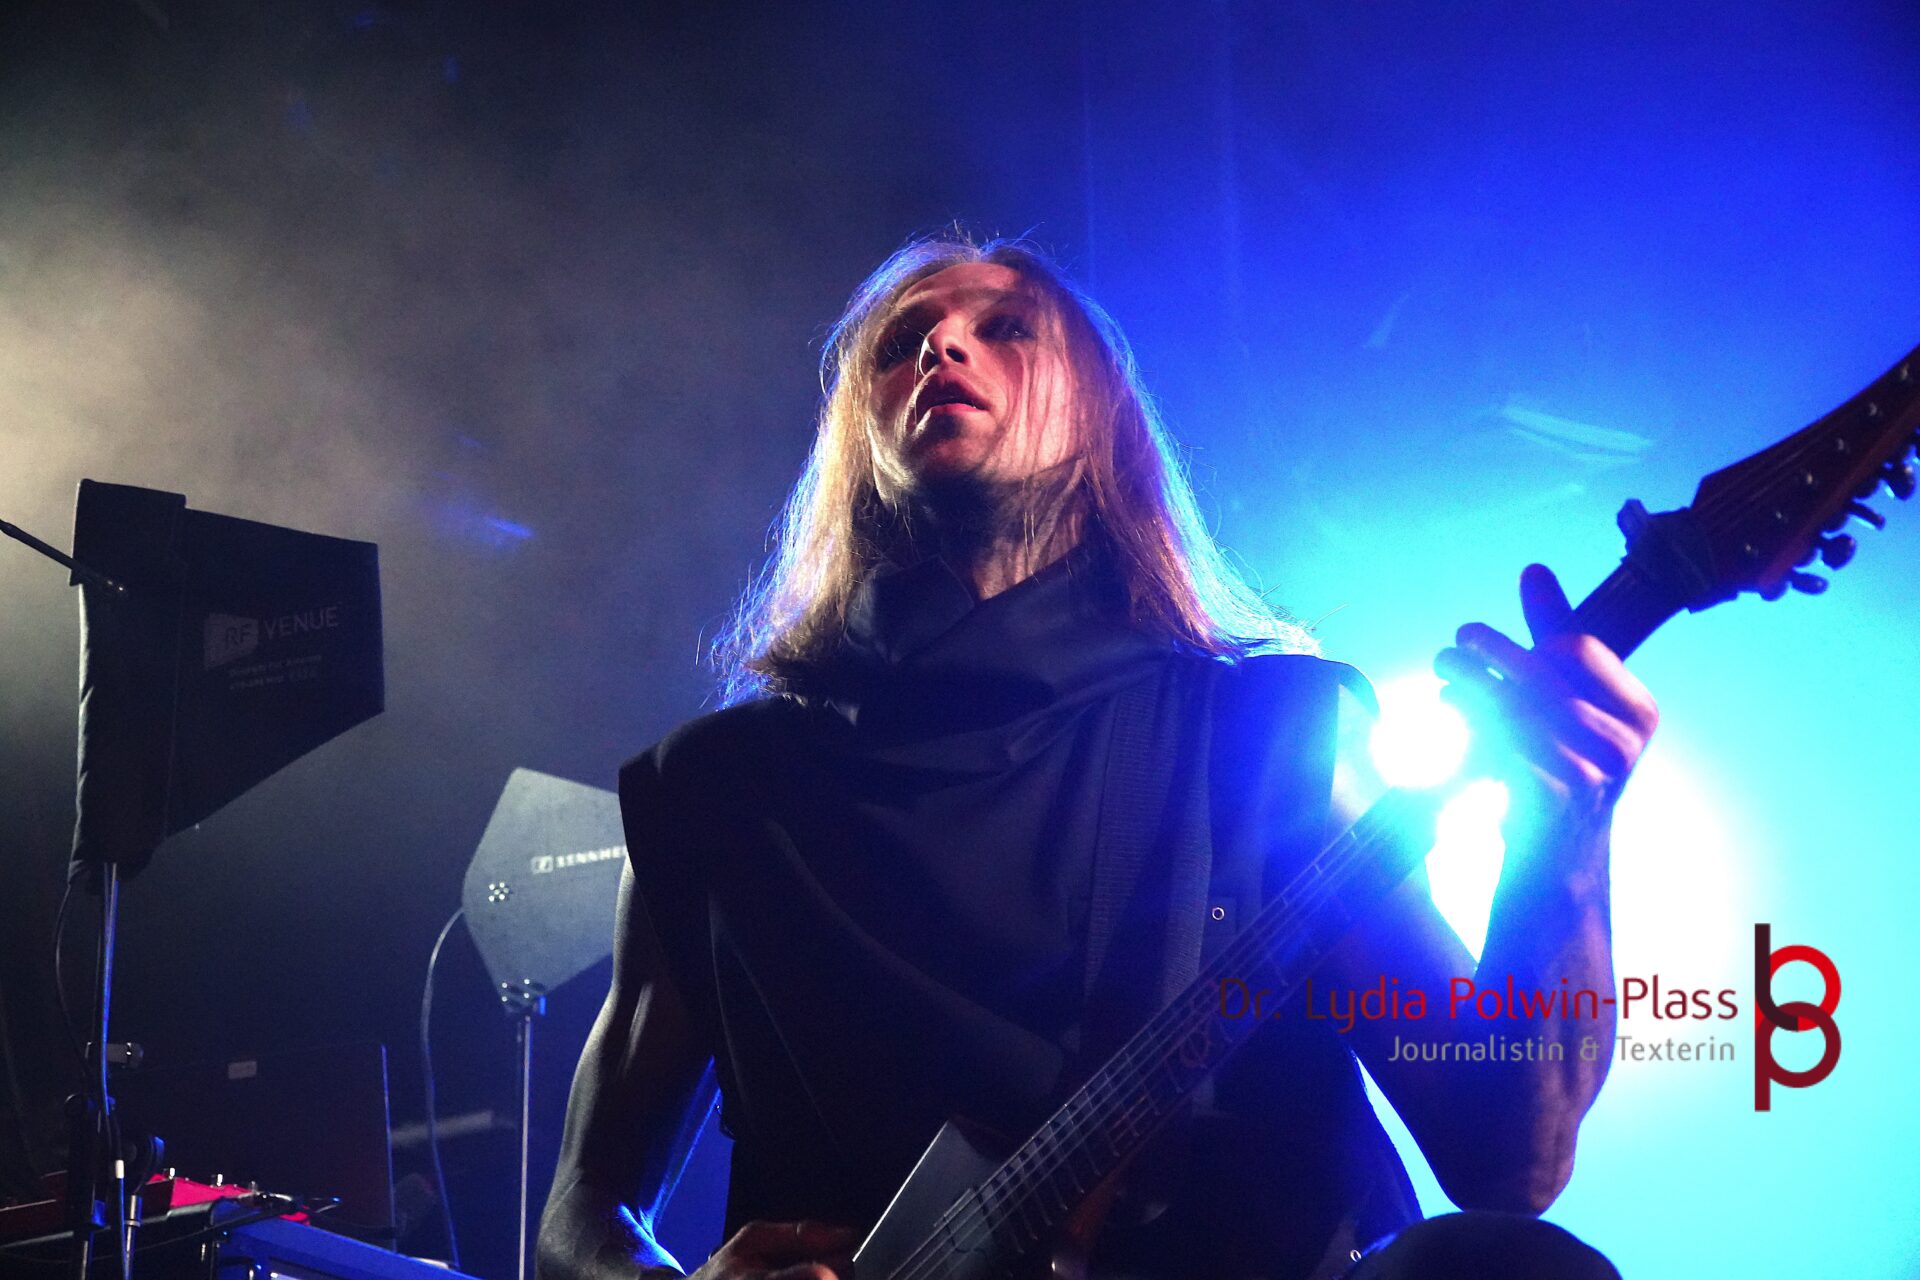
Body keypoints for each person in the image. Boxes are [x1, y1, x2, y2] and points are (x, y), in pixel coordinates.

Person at [536, 235, 1657, 1280]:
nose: (943, 344)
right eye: (901, 339)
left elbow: (1508, 1156)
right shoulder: (714, 789)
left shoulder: (1267, 734)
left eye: (1008, 328)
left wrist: (1565, 834)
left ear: (1100, 420)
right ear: (857, 435)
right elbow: (576, 1210)